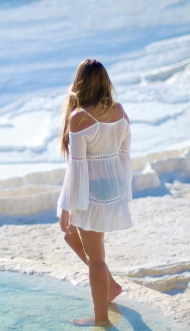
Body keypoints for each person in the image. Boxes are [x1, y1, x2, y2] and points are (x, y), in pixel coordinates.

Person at [57, 59, 133, 327]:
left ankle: (101, 319)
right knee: (70, 234)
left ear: (80, 83)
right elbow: (124, 154)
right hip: (113, 186)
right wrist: (122, 191)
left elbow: (76, 169)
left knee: (97, 256)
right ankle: (109, 285)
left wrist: (67, 206)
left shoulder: (80, 119)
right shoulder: (120, 111)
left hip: (93, 191)